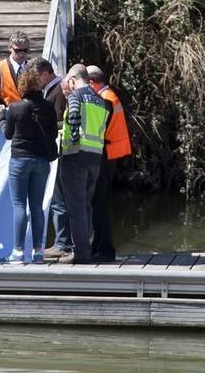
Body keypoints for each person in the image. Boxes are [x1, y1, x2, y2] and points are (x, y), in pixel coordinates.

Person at [0, 69, 58, 264]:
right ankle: (38, 252)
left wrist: (1, 117)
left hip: (20, 161)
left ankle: (18, 252)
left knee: (19, 206)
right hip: (41, 161)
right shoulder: (48, 107)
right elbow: (54, 133)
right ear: (39, 85)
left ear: (22, 86)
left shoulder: (15, 108)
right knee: (37, 207)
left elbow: (7, 134)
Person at [58, 63, 111, 264]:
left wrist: (68, 139)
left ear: (72, 80)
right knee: (86, 205)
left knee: (75, 207)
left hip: (75, 157)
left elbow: (73, 117)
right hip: (95, 158)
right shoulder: (100, 99)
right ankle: (86, 247)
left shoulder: (75, 96)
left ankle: (80, 252)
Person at [87, 64, 132, 262]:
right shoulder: (110, 95)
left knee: (99, 203)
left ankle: (103, 249)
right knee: (100, 202)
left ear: (91, 83)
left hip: (106, 153)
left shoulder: (104, 99)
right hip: (112, 152)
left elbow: (98, 128)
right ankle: (99, 246)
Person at [29, 58, 72, 259]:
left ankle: (63, 243)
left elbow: (56, 122)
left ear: (45, 73)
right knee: (59, 199)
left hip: (60, 151)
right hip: (56, 150)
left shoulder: (57, 93)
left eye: (36, 77)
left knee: (59, 199)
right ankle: (63, 242)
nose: (34, 82)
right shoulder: (52, 91)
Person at [0, 31, 30, 105]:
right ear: (10, 48)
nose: (21, 54)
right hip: (6, 112)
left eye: (25, 50)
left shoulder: (32, 67)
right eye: (17, 51)